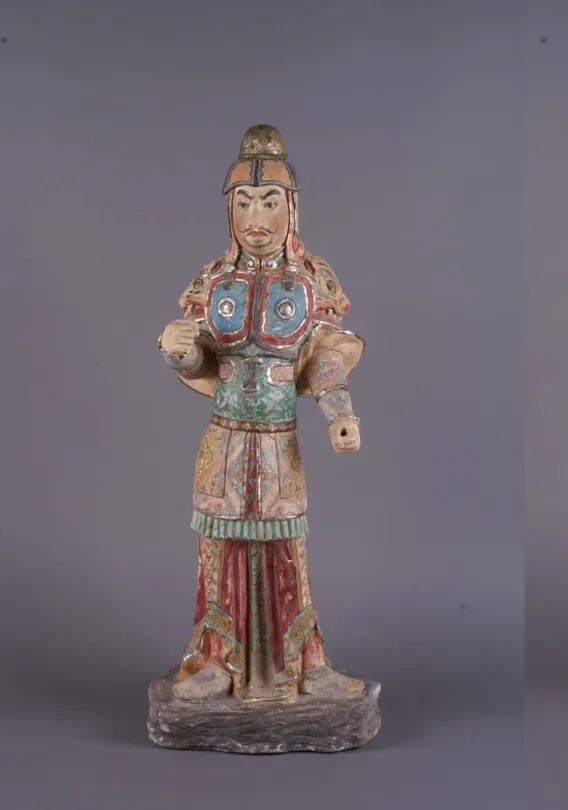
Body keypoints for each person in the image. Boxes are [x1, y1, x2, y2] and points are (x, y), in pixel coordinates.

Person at [158, 125, 367, 701]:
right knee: (217, 549)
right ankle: (215, 661)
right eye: (244, 202)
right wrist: (176, 349)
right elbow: (200, 356)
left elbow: (324, 356)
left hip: (278, 442)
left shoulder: (310, 280)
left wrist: (339, 412)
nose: (256, 217)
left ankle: (307, 664)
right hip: (224, 442)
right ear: (229, 210)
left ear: (291, 209)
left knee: (287, 552)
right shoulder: (213, 280)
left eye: (270, 202)